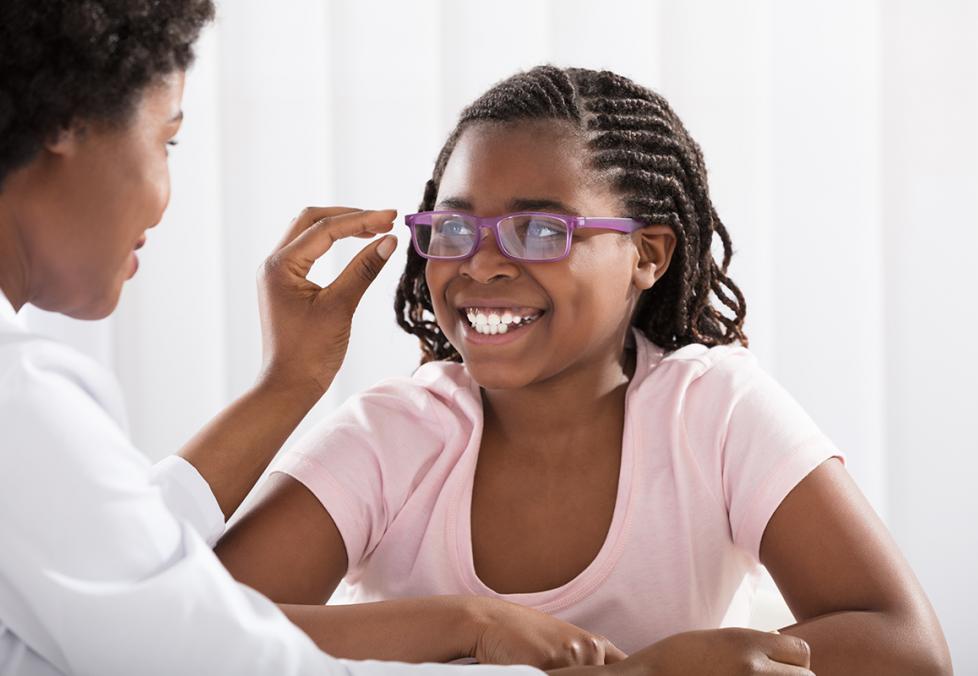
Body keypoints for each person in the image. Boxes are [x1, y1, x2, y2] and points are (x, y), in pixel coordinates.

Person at [214, 66, 953, 675]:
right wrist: (467, 625)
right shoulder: (394, 435)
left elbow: (910, 649)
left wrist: (655, 671)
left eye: (540, 230)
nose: (484, 262)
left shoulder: (713, 411)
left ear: (648, 255)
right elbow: (195, 630)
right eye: (454, 226)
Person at [0, 5, 655, 676]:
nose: (165, 199)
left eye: (541, 233)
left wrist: (289, 382)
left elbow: (112, 560)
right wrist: (482, 630)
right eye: (167, 141)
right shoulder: (17, 398)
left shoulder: (709, 405)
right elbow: (195, 650)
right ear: (67, 124)